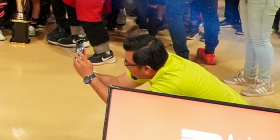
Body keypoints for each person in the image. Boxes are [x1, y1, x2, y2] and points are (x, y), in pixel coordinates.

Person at [72, 34, 246, 104]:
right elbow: (118, 83)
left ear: (146, 69)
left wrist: (89, 79)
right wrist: (88, 71)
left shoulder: (171, 83)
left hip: (234, 121)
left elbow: (119, 106)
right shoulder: (162, 59)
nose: (126, 67)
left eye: (128, 64)